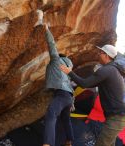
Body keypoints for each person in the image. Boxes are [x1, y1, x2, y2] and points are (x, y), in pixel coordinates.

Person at [60, 44, 125, 146]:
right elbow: (89, 83)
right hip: (118, 117)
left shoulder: (106, 70)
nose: (98, 54)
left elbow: (84, 84)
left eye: (100, 52)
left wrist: (69, 72)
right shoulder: (113, 70)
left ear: (106, 55)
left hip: (117, 118)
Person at [34, 10, 74, 146]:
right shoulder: (67, 71)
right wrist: (72, 102)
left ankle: (47, 144)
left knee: (51, 114)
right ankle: (69, 142)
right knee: (66, 120)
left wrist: (46, 29)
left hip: (62, 95)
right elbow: (69, 86)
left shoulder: (57, 60)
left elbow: (52, 45)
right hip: (68, 97)